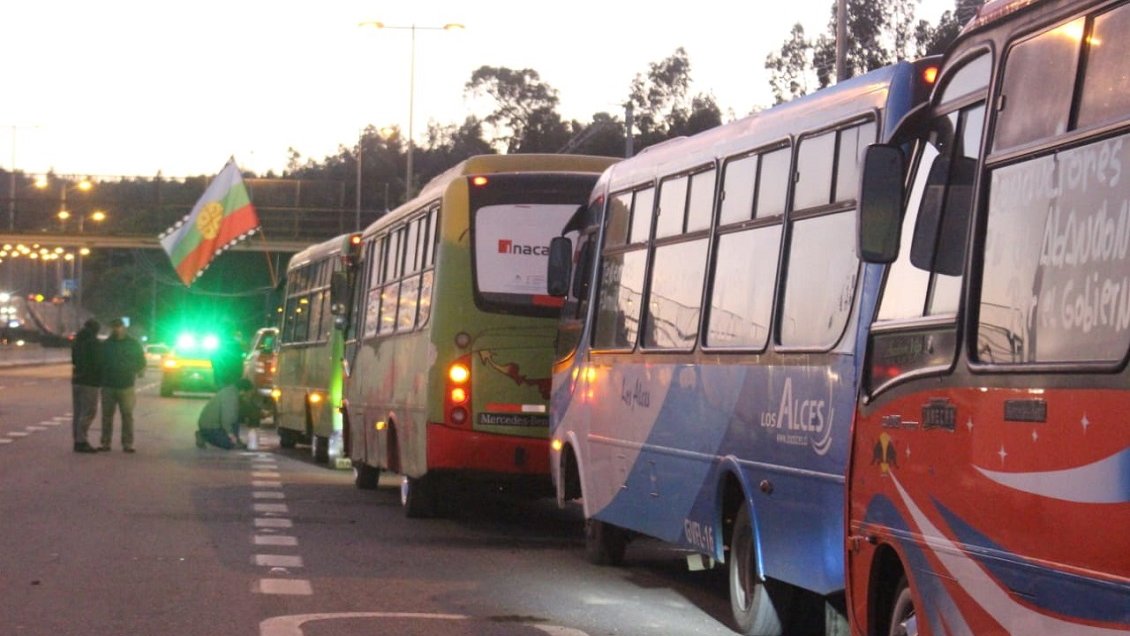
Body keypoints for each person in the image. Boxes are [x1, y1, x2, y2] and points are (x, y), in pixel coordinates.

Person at [98, 318, 146, 453]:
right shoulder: (107, 344)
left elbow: (141, 360)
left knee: (127, 415)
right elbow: (100, 362)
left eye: (118, 327)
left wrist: (137, 370)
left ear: (123, 327)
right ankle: (105, 442)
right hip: (108, 384)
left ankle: (127, 443)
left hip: (126, 385)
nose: (116, 329)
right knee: (107, 416)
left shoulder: (133, 344)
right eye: (114, 327)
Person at [196, 378, 255, 450]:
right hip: (210, 427)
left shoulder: (233, 392)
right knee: (228, 445)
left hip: (218, 425)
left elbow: (234, 417)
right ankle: (203, 435)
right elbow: (226, 419)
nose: (249, 396)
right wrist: (231, 435)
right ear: (243, 391)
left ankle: (234, 440)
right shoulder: (230, 397)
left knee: (236, 418)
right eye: (249, 393)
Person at [71, 319, 101, 453]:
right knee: (89, 411)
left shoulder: (77, 342)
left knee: (78, 412)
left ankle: (77, 440)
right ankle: (81, 441)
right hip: (90, 381)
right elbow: (98, 362)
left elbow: (74, 360)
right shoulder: (94, 343)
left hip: (76, 380)